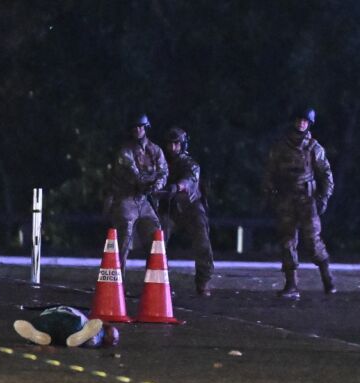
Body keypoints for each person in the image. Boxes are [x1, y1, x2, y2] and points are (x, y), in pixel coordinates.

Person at [263, 107, 336, 299]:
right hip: (286, 199)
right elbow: (270, 171)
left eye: (305, 121)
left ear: (309, 123)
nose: (301, 123)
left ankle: (327, 278)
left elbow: (326, 174)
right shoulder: (280, 147)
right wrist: (270, 192)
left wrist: (324, 197)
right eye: (298, 120)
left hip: (307, 199)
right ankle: (291, 284)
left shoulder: (314, 148)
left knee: (313, 243)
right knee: (287, 242)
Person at [108, 113, 168, 277]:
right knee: (124, 236)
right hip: (127, 198)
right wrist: (147, 181)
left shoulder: (155, 150)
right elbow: (131, 174)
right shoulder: (125, 152)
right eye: (134, 127)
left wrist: (157, 185)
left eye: (140, 127)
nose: (137, 130)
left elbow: (163, 172)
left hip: (145, 200)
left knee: (156, 235)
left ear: (146, 128)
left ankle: (155, 279)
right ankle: (118, 279)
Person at [158, 127, 215, 297]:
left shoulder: (191, 164)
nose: (173, 148)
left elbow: (190, 180)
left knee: (202, 239)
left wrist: (176, 187)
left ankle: (203, 281)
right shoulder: (160, 162)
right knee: (157, 243)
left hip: (191, 206)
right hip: (169, 207)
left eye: (176, 144)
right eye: (170, 144)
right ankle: (159, 281)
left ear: (182, 145)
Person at [13, 305, 119, 347]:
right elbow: (95, 325)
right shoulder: (88, 322)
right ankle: (91, 339)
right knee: (91, 335)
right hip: (73, 324)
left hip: (43, 320)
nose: (114, 342)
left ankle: (36, 335)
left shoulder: (80, 313)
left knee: (52, 336)